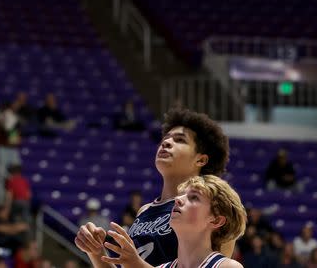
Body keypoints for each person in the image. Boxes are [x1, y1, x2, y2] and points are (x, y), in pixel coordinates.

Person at [75, 108, 233, 267]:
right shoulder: (144, 210)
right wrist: (96, 252)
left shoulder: (211, 211)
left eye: (180, 140)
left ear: (201, 160)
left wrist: (137, 264)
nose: (166, 142)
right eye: (165, 138)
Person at [103, 175, 246, 268]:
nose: (178, 200)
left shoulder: (227, 266)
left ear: (216, 221)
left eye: (194, 197)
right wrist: (97, 252)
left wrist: (137, 264)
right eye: (182, 195)